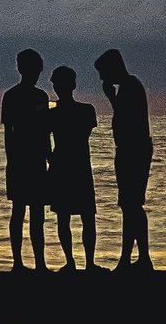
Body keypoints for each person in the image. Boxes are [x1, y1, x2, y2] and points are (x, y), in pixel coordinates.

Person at [94, 49, 153, 272]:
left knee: (132, 205)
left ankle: (132, 259)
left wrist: (111, 98)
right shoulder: (130, 87)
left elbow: (124, 118)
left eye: (103, 73)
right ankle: (135, 258)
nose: (101, 78)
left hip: (133, 150)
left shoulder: (130, 88)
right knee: (130, 205)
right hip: (130, 149)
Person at [1, 48, 51, 271]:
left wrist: (48, 157)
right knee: (24, 211)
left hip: (31, 159)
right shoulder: (19, 96)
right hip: (26, 159)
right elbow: (10, 132)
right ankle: (21, 262)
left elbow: (44, 130)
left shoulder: (34, 96)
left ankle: (34, 262)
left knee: (30, 212)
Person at [47, 66, 98, 272]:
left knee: (66, 217)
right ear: (74, 85)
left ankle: (74, 262)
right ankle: (86, 263)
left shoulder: (54, 114)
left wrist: (51, 157)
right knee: (83, 216)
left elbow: (44, 139)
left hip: (64, 165)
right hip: (78, 165)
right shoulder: (86, 110)